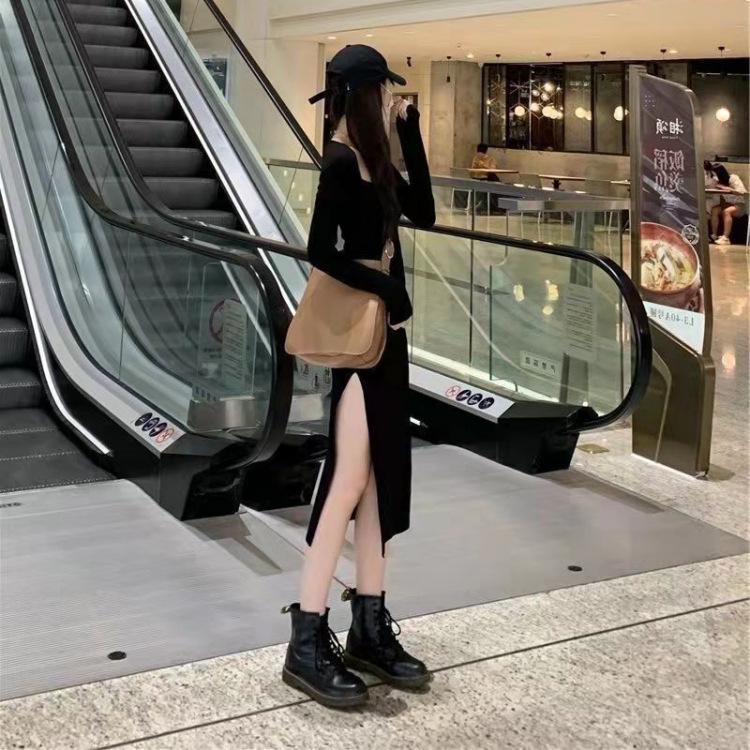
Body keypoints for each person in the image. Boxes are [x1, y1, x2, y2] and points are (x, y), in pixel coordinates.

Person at [282, 45, 436, 709]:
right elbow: (321, 250)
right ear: (367, 94)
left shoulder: (378, 160)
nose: (389, 102)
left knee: (380, 483)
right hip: (360, 345)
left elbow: (425, 212)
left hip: (387, 342)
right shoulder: (342, 160)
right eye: (385, 95)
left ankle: (369, 625)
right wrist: (382, 285)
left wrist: (412, 136)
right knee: (347, 479)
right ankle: (306, 636)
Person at [709, 163, 747, 245]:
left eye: (715, 175)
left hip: (739, 204)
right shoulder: (717, 182)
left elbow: (741, 191)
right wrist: (714, 184)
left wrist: (725, 188)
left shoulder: (733, 178)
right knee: (714, 209)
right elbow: (711, 190)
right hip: (727, 204)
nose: (714, 176)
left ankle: (726, 238)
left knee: (726, 211)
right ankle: (714, 235)